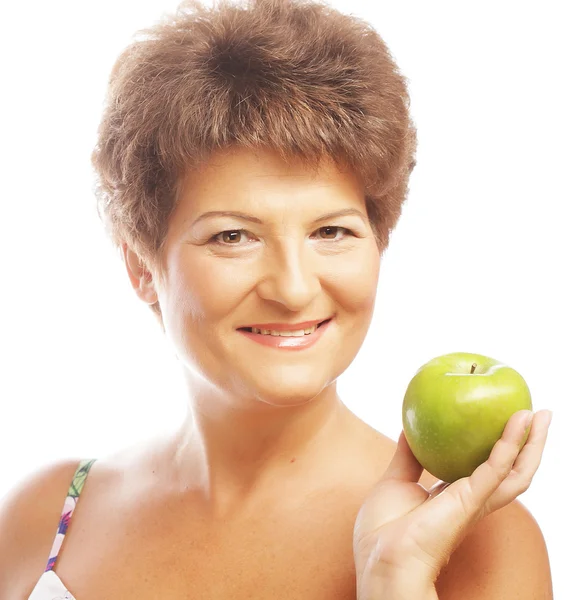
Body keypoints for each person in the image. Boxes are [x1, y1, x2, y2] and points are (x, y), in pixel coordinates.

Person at [0, 0, 553, 598]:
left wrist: (397, 582)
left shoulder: (477, 543)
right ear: (141, 265)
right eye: (232, 236)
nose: (293, 288)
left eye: (331, 232)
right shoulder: (45, 517)